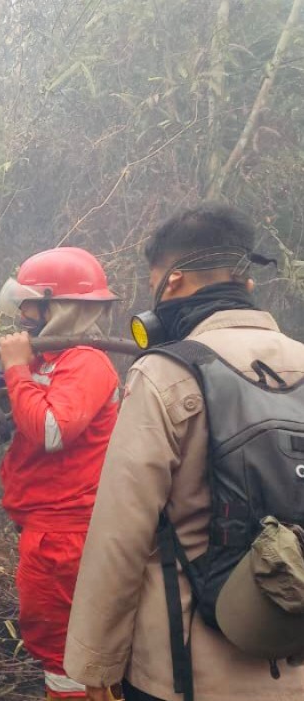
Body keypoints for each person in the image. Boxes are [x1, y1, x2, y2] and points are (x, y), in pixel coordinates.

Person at [65, 204, 304, 701]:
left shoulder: (166, 373)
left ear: (172, 282)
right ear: (246, 284)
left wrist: (95, 663)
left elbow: (120, 534)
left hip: (185, 672)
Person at [0, 247, 121, 700]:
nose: (22, 315)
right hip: (50, 532)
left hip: (67, 536)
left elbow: (49, 428)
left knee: (63, 651)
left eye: (30, 304)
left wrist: (17, 366)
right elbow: (11, 413)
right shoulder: (50, 361)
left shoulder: (85, 362)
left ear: (57, 306)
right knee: (76, 652)